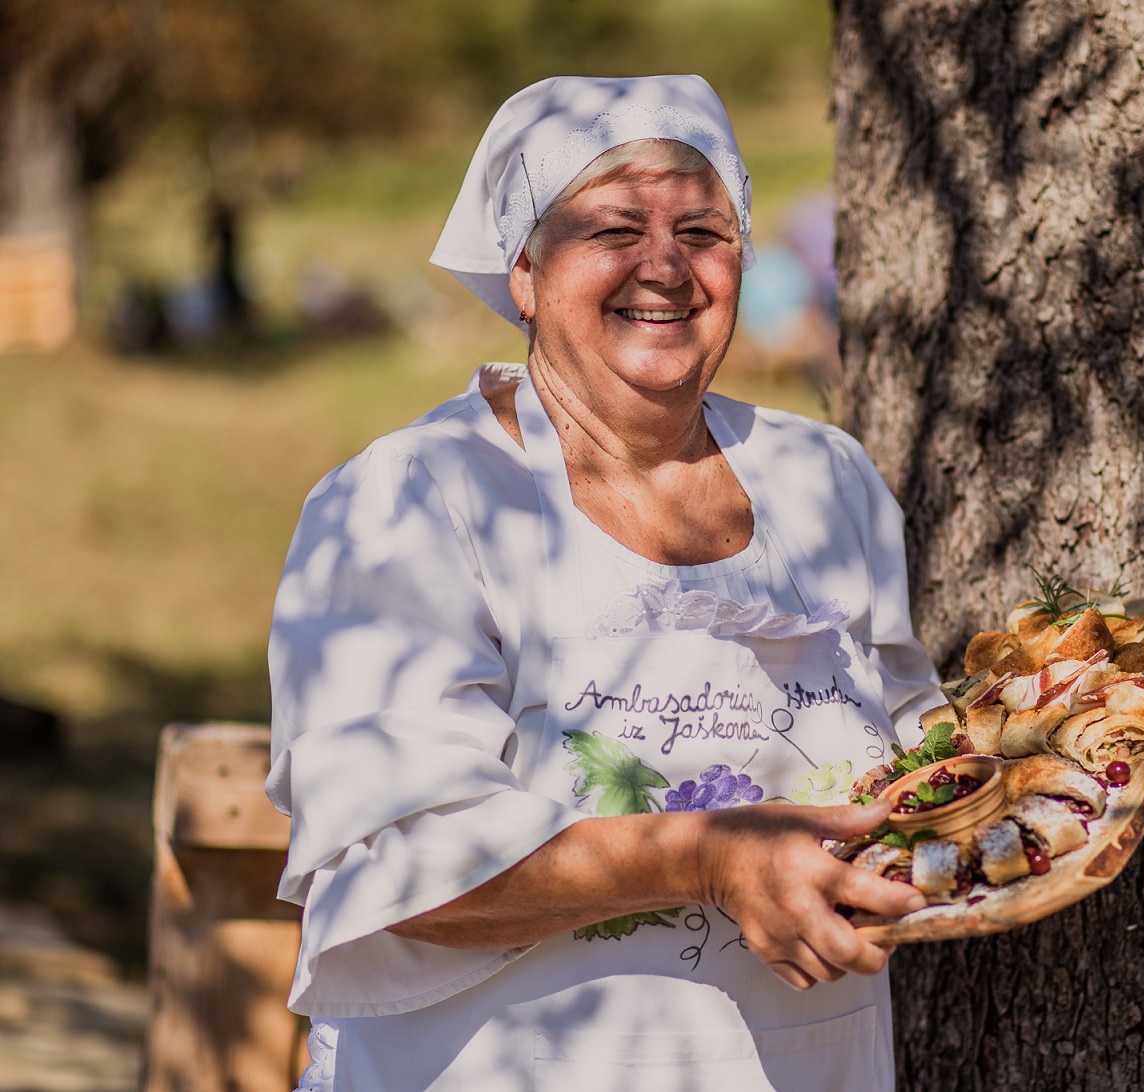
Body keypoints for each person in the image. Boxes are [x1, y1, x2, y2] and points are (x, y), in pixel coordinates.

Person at [266, 74, 943, 1091]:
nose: (664, 266)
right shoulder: (407, 500)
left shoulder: (823, 478)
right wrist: (708, 858)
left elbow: (917, 754)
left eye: (704, 232)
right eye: (614, 229)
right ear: (525, 273)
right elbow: (394, 869)